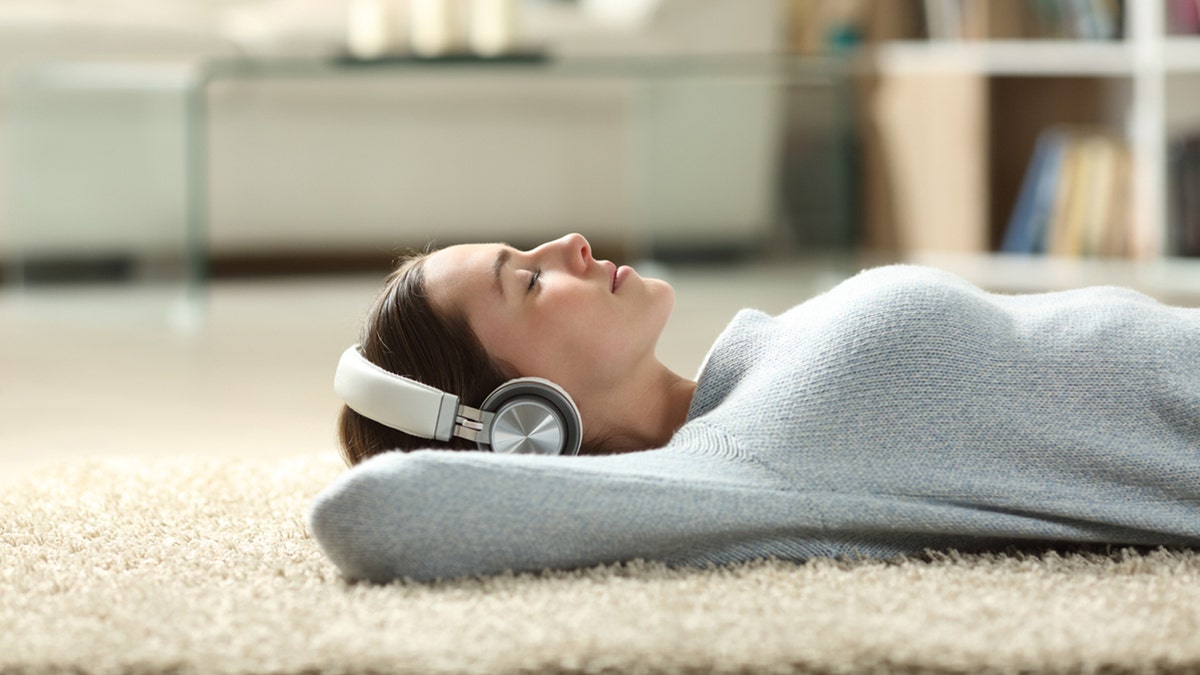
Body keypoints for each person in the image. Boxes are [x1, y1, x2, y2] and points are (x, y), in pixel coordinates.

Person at [310, 233, 1200, 583]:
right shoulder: (731, 471)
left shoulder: (744, 383)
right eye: (529, 281)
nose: (570, 244)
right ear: (522, 421)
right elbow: (375, 514)